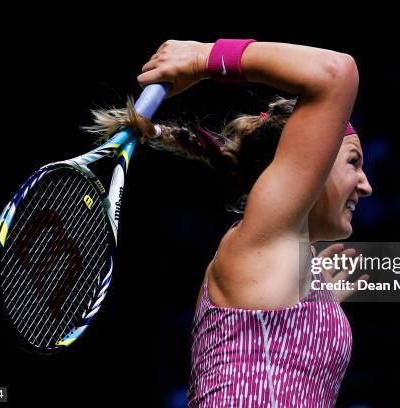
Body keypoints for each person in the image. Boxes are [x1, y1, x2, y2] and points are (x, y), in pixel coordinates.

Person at [89, 39, 372, 407]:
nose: (366, 185)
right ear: (311, 163)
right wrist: (204, 58)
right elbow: (336, 73)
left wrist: (318, 314)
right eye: (353, 162)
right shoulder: (264, 240)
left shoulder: (276, 261)